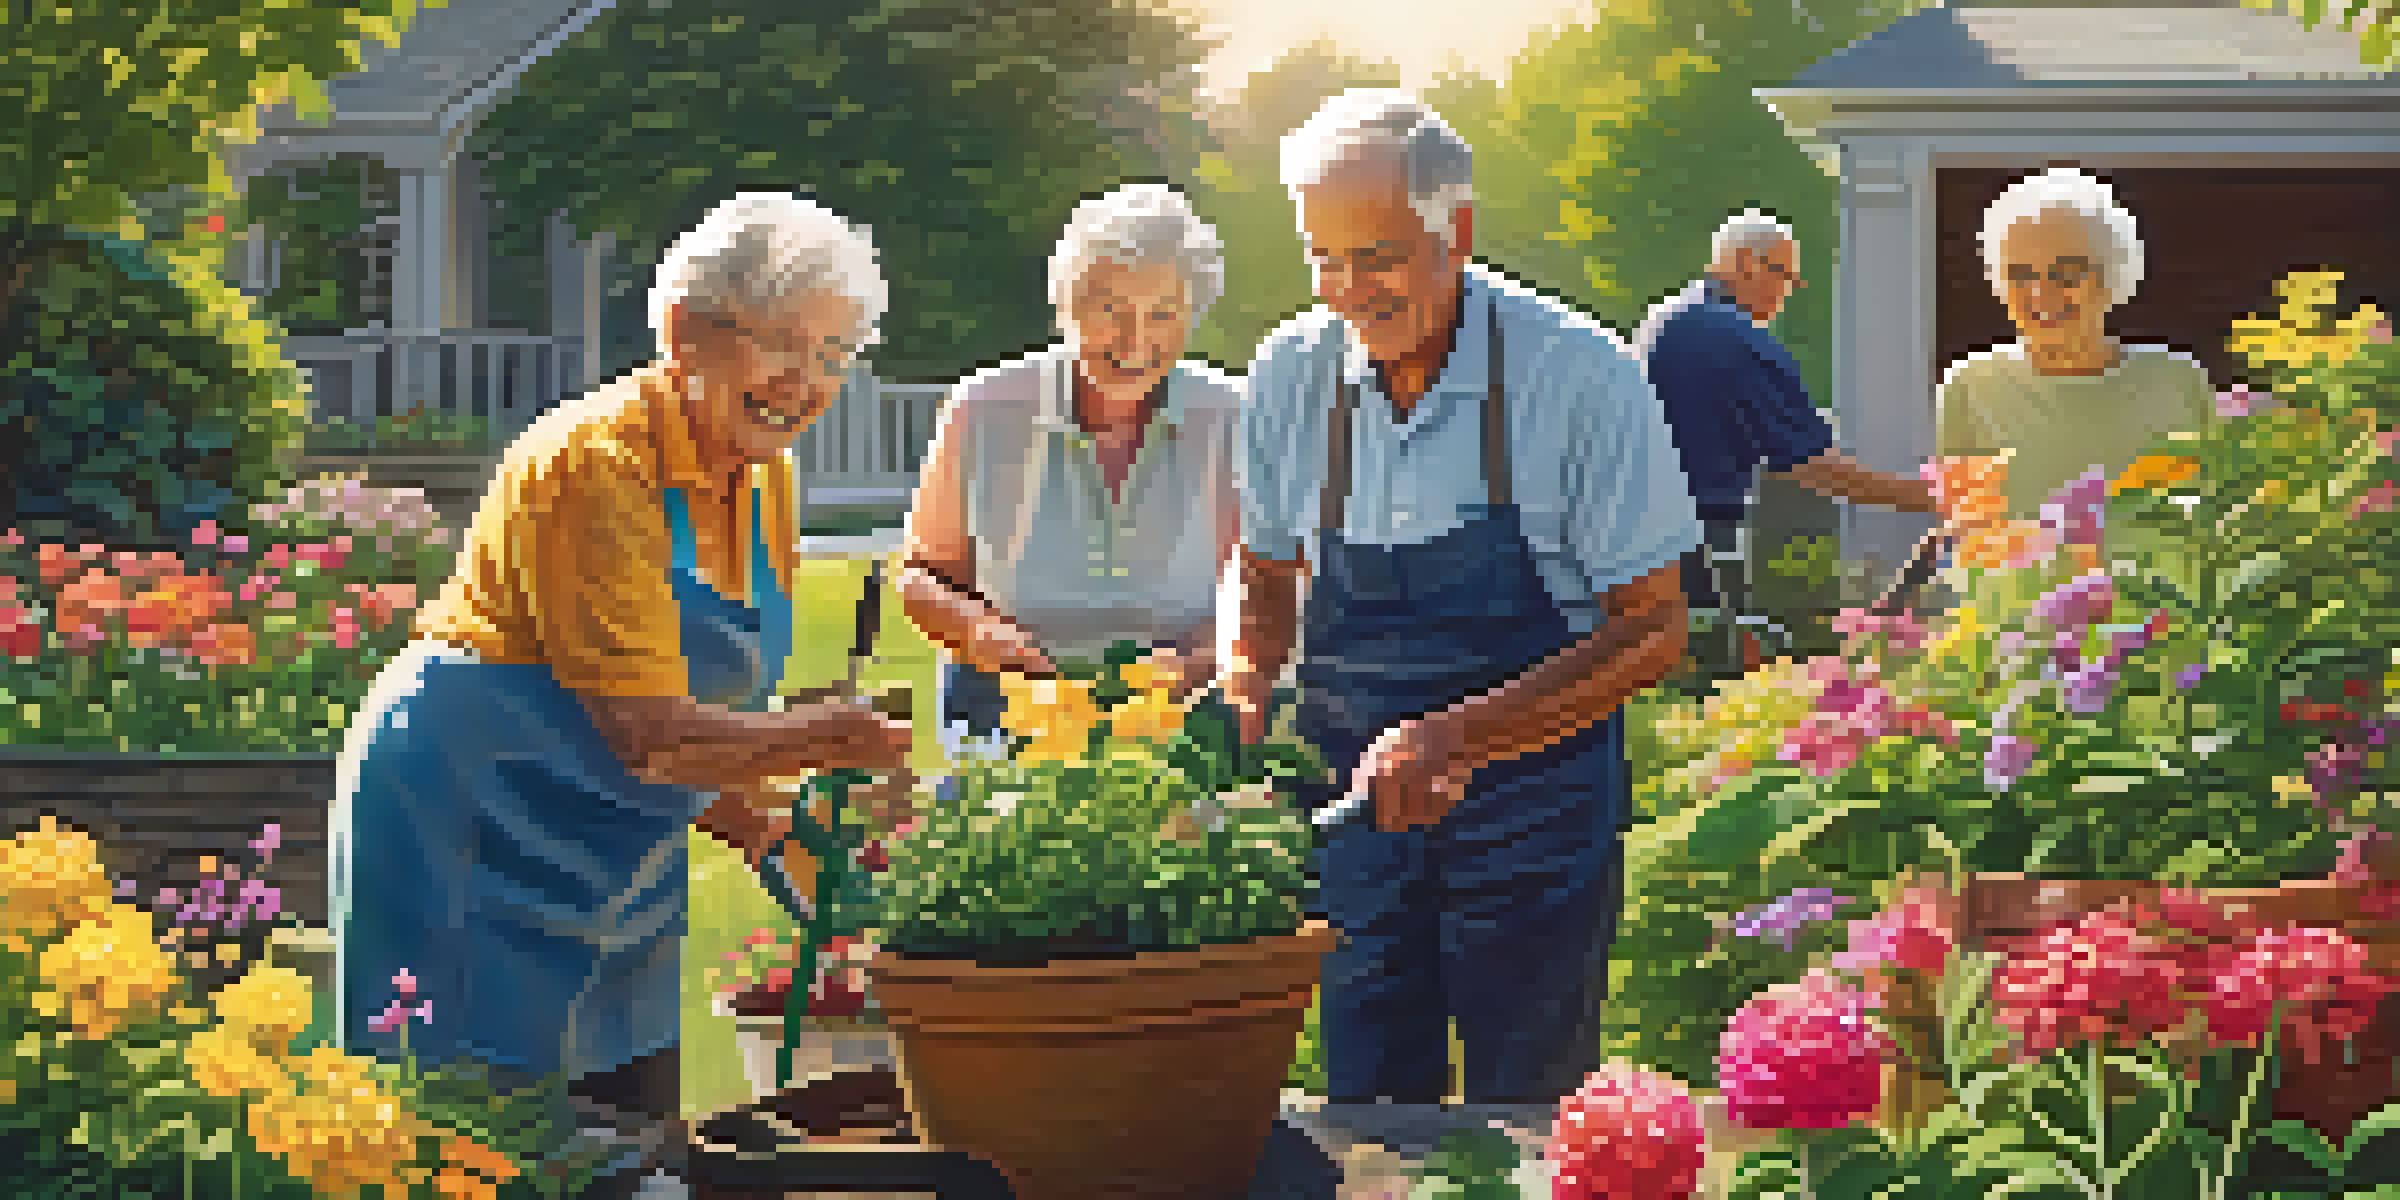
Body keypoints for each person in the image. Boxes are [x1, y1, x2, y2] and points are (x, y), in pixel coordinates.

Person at [331, 193, 915, 1198]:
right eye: (782, 342)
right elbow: (647, 730)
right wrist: (824, 738)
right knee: (464, 1135)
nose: (805, 382)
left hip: (611, 849)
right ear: (688, 331)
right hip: (470, 818)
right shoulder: (598, 467)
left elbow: (693, 722)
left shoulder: (763, 477)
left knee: (630, 1129)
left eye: (832, 356)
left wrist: (767, 829)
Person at [1222, 90, 1699, 1109]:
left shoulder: (1580, 377)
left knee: (1525, 1116)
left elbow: (1654, 628)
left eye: (1381, 255)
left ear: (1460, 231)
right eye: (1327, 259)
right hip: (1352, 804)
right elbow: (1262, 575)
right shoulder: (1287, 375)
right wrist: (1244, 676)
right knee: (1367, 1108)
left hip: (1535, 807)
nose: (1351, 289)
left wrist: (1459, 738)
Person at [898, 184, 1241, 753]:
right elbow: (924, 577)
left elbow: (1269, 586)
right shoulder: (984, 406)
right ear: (1066, 303)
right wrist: (978, 634)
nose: (1135, 338)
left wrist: (1202, 659)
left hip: (1183, 712)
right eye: (1111, 309)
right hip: (1009, 705)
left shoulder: (1233, 416)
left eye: (1162, 314)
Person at [1635, 209, 1943, 678]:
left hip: (1647, 533)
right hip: (1701, 541)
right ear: (1745, 263)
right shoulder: (1736, 339)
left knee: (1669, 672)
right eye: (1783, 276)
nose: (1787, 293)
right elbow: (1815, 467)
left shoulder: (1666, 320)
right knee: (1715, 672)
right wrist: (1934, 498)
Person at [1938, 168, 2215, 520]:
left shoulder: (2178, 379)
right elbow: (1969, 534)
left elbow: (2208, 519)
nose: (2041, 294)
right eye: (2021, 275)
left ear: (2111, 276)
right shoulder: (1968, 386)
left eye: (2066, 275)